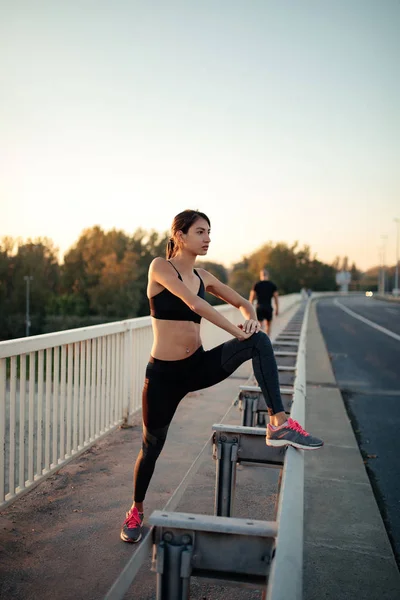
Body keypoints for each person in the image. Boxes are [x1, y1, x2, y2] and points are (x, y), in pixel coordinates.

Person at [120, 210, 323, 543]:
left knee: (259, 341)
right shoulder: (160, 267)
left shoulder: (204, 275)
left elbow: (245, 303)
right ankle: (136, 509)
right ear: (180, 235)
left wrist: (251, 322)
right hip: (163, 376)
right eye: (200, 231)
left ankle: (279, 422)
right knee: (151, 447)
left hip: (197, 367)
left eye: (210, 232)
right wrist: (235, 330)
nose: (208, 238)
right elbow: (196, 306)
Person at [249, 269, 279, 335]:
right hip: (268, 307)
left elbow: (251, 298)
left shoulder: (257, 285)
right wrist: (277, 309)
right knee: (268, 326)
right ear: (268, 275)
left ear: (260, 275)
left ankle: (261, 341)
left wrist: (250, 309)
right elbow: (276, 298)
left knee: (260, 327)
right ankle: (267, 341)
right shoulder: (272, 285)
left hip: (259, 307)